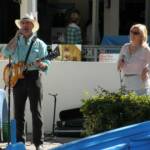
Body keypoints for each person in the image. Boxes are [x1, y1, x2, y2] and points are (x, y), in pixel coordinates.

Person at [2, 13, 50, 150]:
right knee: (18, 113)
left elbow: (46, 62)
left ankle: (38, 143)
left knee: (36, 111)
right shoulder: (16, 41)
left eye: (28, 23)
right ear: (20, 26)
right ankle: (20, 142)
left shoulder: (40, 44)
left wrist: (42, 65)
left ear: (33, 26)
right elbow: (5, 53)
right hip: (17, 79)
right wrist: (15, 37)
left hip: (34, 77)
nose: (25, 25)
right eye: (23, 23)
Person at [117, 23, 150, 95]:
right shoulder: (125, 47)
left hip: (140, 86)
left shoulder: (145, 49)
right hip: (126, 85)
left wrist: (147, 69)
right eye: (131, 32)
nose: (132, 34)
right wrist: (120, 63)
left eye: (136, 33)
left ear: (142, 35)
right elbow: (118, 67)